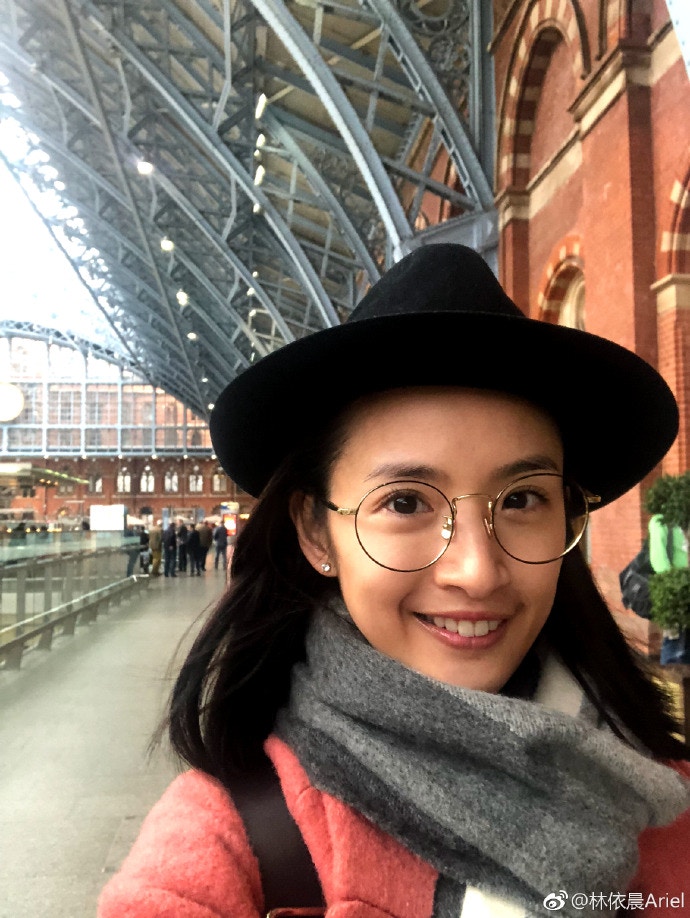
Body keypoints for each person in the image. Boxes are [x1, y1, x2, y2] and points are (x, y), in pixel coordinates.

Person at [98, 244, 690, 918]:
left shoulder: (665, 799)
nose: (476, 571)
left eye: (522, 499)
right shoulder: (226, 843)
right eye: (405, 502)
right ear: (317, 532)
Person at [648, 511, 690, 664]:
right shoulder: (660, 521)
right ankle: (669, 675)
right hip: (674, 594)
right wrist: (675, 587)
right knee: (675, 642)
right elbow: (658, 560)